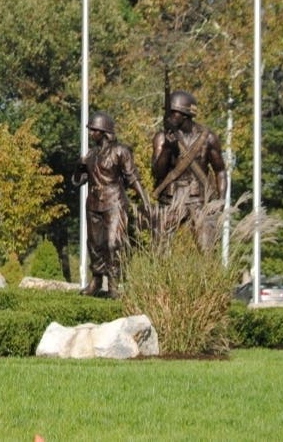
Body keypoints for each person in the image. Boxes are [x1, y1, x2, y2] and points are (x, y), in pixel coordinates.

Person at [73, 111, 152, 297]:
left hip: (114, 202)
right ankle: (97, 280)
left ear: (104, 131)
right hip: (93, 204)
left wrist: (144, 199)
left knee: (113, 243)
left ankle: (114, 284)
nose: (91, 133)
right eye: (91, 130)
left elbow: (132, 177)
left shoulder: (121, 151)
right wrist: (78, 167)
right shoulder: (91, 154)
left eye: (94, 130)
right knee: (94, 243)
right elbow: (78, 181)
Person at [150, 90, 228, 249]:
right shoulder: (161, 138)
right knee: (159, 250)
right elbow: (157, 173)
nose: (168, 116)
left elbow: (220, 171)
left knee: (207, 250)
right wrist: (167, 149)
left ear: (185, 114)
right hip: (170, 199)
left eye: (173, 113)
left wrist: (220, 202)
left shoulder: (208, 138)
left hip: (199, 200)